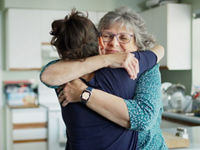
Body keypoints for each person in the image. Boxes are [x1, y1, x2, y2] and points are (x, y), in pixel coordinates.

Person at [40, 7, 168, 150]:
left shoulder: (145, 68)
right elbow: (47, 74)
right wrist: (108, 59)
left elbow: (143, 118)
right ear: (98, 40)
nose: (114, 43)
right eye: (107, 36)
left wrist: (83, 92)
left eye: (124, 38)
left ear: (138, 44)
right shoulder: (81, 66)